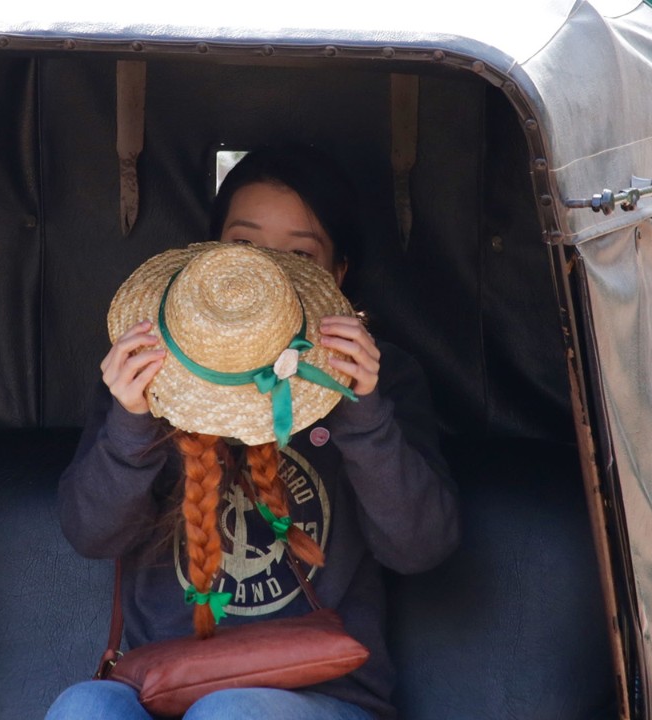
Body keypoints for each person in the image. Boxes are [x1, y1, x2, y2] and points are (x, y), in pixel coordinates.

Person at [49, 147, 460, 720]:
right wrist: (132, 420)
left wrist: (359, 411)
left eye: (300, 252)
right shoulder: (147, 374)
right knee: (84, 707)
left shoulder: (379, 377)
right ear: (209, 259)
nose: (265, 271)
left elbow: (422, 548)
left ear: (337, 274)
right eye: (244, 247)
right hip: (161, 684)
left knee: (231, 713)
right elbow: (91, 535)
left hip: (325, 696)